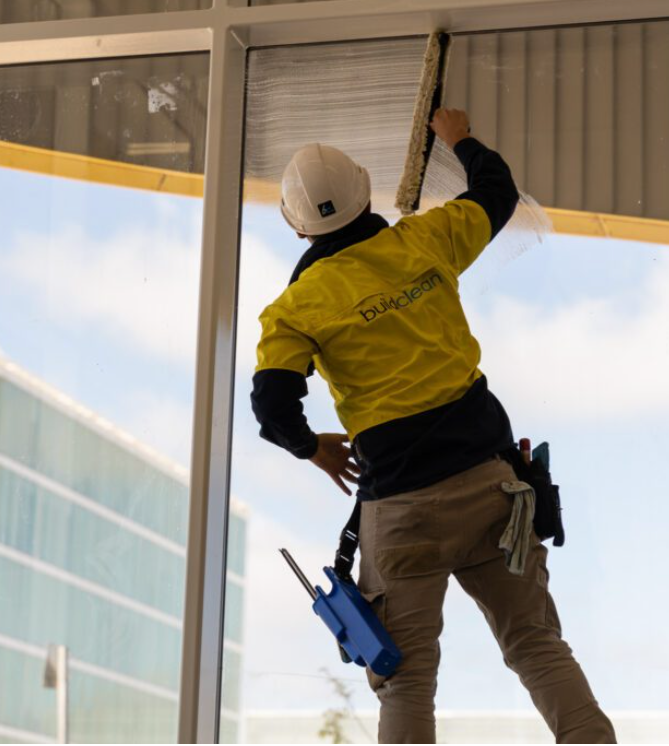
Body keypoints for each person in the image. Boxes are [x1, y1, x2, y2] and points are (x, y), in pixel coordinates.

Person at [251, 108, 616, 744]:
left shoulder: (294, 308)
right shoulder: (427, 238)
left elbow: (272, 405)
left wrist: (316, 451)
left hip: (400, 513)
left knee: (407, 682)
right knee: (535, 646)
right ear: (366, 191)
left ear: (294, 224)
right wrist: (456, 138)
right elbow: (497, 194)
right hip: (491, 491)